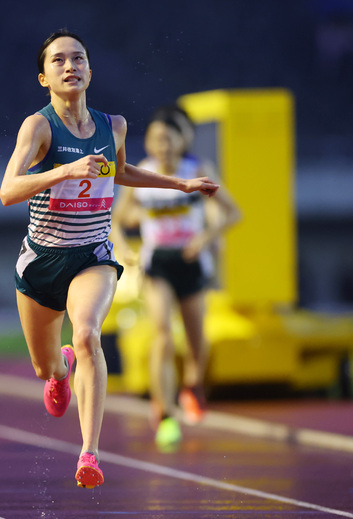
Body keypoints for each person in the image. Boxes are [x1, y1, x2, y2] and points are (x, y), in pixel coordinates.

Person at [0, 30, 219, 488]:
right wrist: (64, 170)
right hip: (41, 261)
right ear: (45, 77)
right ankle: (58, 374)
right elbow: (7, 191)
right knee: (46, 368)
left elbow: (120, 172)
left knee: (87, 334)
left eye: (78, 58)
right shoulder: (37, 127)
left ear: (90, 70)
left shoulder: (112, 125)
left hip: (91, 256)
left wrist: (179, 185)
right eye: (58, 61)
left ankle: (89, 454)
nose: (70, 65)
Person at [110, 105, 241, 448]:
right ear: (149, 143)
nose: (163, 146)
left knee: (197, 343)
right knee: (164, 335)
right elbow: (115, 219)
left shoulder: (197, 170)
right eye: (157, 139)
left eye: (170, 139)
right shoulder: (141, 175)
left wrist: (205, 239)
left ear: (182, 141)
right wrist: (123, 245)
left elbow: (232, 212)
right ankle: (164, 411)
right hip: (159, 264)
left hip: (192, 261)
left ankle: (193, 386)